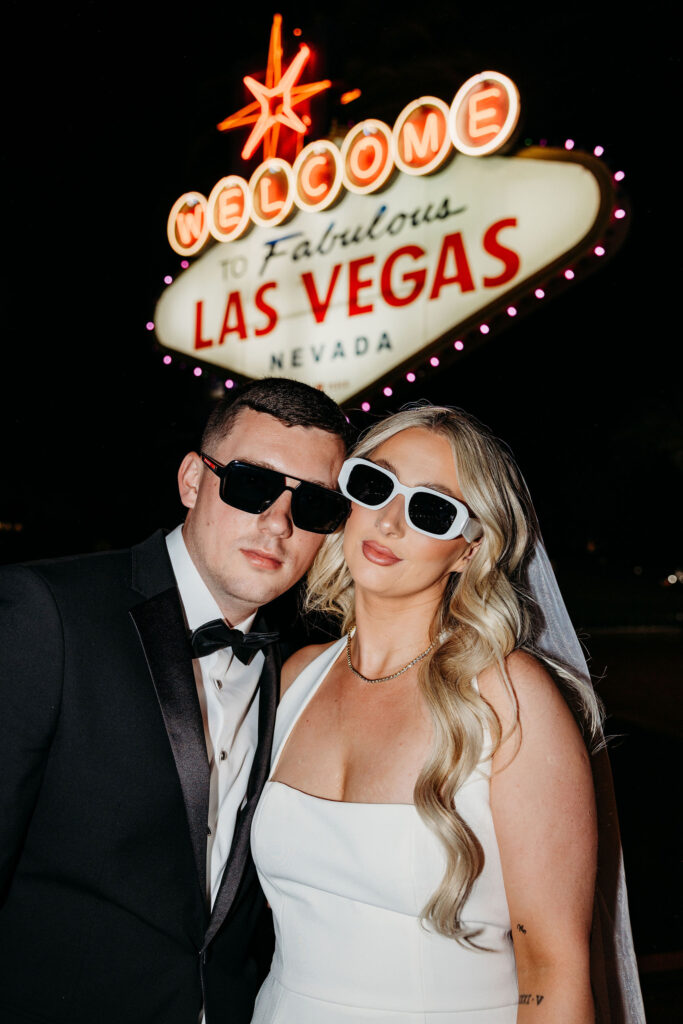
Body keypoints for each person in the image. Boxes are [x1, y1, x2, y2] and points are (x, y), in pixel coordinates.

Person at [250, 405, 645, 1024]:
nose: (387, 521)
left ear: (469, 550)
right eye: (374, 485)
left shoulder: (509, 697)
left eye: (431, 510)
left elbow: (553, 970)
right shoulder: (296, 677)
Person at [0, 377, 352, 1024]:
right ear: (193, 481)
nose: (276, 523)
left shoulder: (302, 673)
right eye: (251, 483)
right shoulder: (46, 614)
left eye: (313, 508)